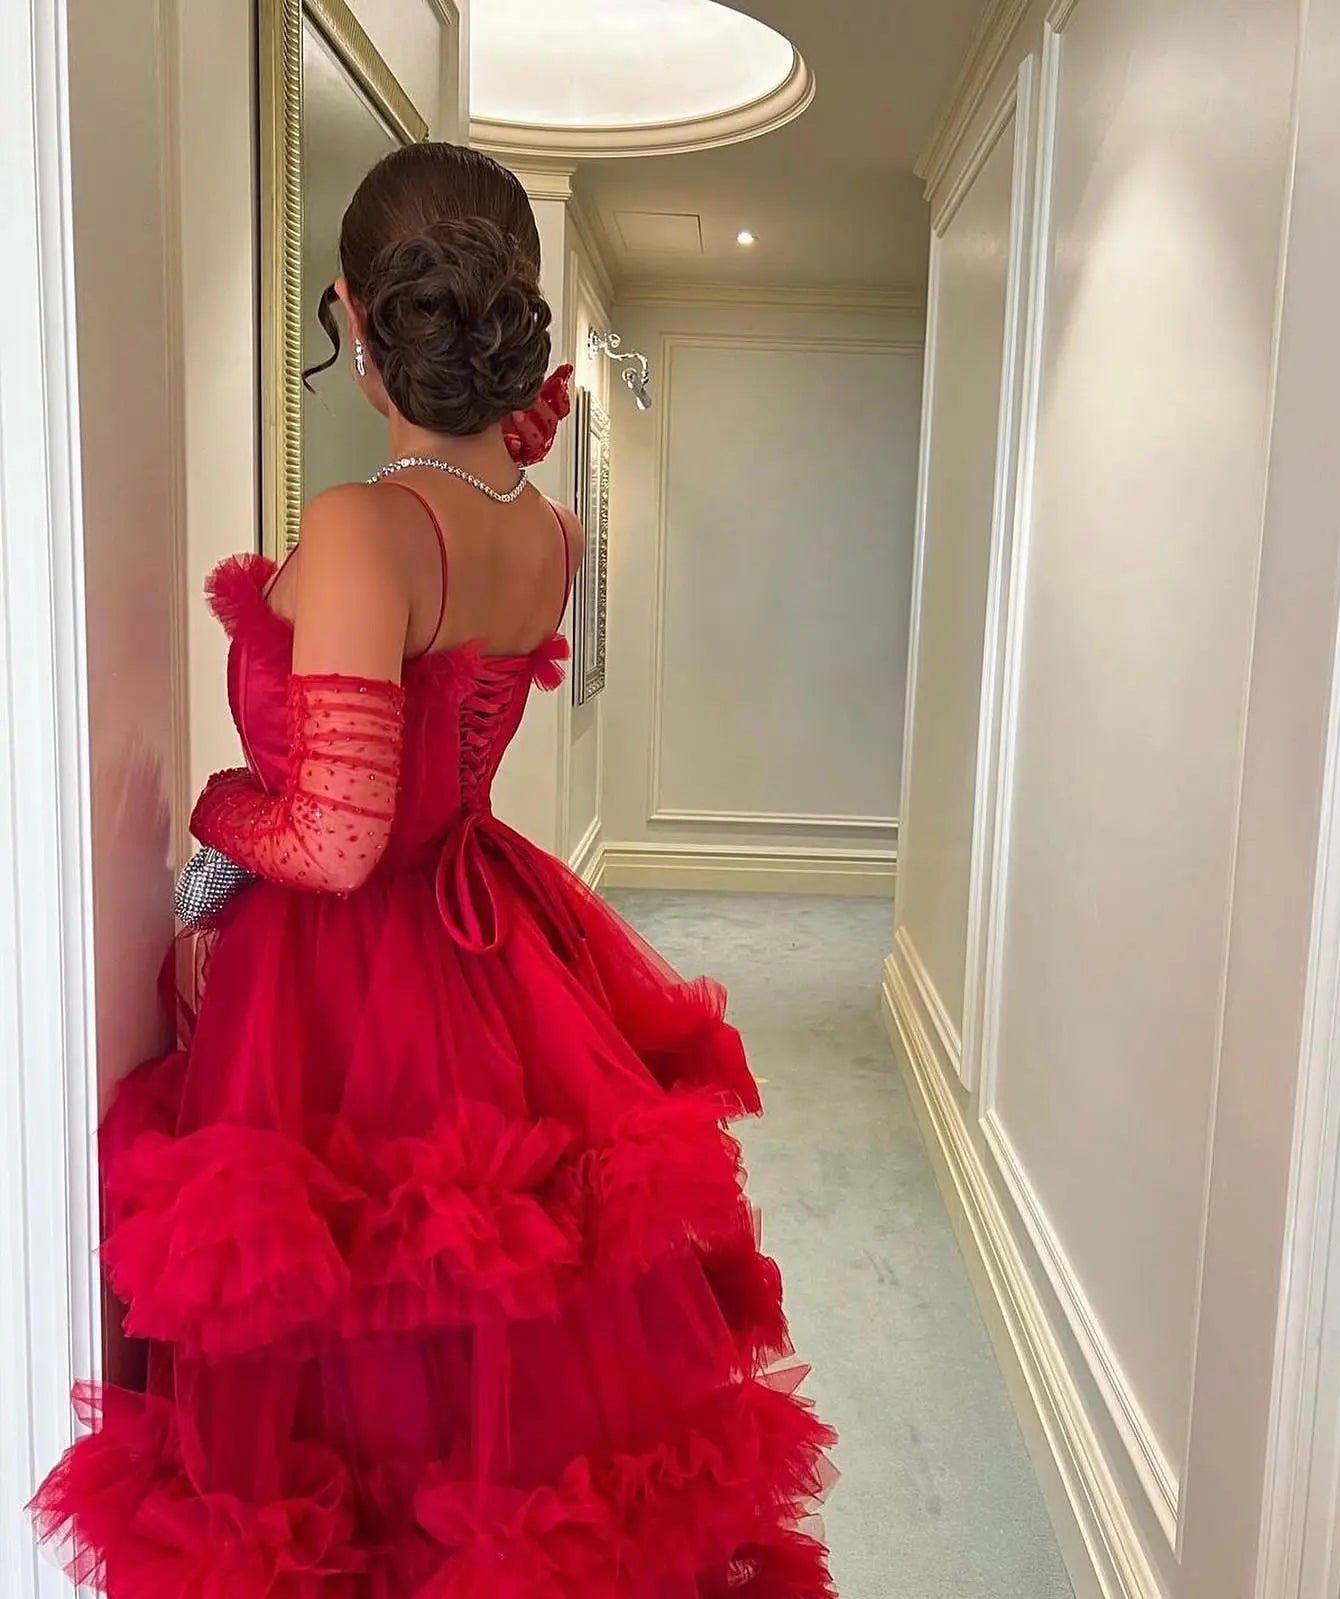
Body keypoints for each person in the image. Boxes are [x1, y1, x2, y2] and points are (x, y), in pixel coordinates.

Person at [29, 143, 834, 1598]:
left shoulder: (366, 527)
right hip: (496, 936)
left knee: (368, 1357)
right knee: (507, 1345)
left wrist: (217, 812)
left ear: (355, 312)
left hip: (347, 984)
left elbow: (335, 840)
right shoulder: (548, 529)